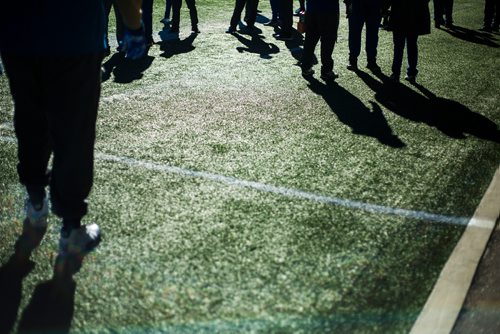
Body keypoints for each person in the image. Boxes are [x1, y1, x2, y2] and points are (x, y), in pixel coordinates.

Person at [0, 0, 146, 257]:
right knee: (74, 134)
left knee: (30, 120)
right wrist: (134, 25)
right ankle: (70, 230)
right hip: (74, 36)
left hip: (18, 34)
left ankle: (36, 202)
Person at [388, 0, 431, 83]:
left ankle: (396, 73)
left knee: (399, 46)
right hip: (415, 15)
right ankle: (411, 73)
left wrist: (383, 8)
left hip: (399, 14)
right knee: (412, 45)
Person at [301, 0, 340, 82]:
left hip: (312, 8)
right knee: (328, 41)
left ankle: (306, 67)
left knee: (310, 40)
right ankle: (326, 71)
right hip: (329, 10)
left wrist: (303, 6)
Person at [344, 0, 383, 72]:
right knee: (357, 33)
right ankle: (356, 60)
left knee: (370, 34)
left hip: (371, 4)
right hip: (361, 4)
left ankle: (367, 61)